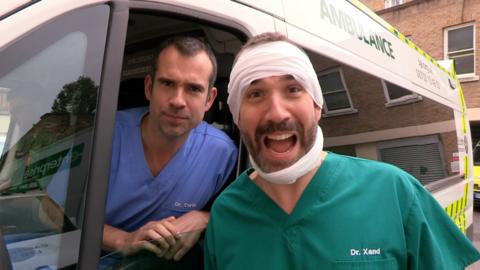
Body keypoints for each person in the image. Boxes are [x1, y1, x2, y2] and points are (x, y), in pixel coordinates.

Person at [204, 32, 480, 270]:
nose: (277, 113)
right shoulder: (226, 215)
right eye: (255, 94)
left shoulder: (394, 192)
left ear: (317, 106)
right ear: (237, 116)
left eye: (292, 89)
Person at [102, 36, 237, 264]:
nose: (177, 100)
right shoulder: (104, 134)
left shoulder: (223, 153)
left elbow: (243, 213)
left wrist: (204, 217)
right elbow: (49, 212)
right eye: (167, 83)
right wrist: (123, 241)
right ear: (148, 87)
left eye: (194, 88)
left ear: (209, 99)